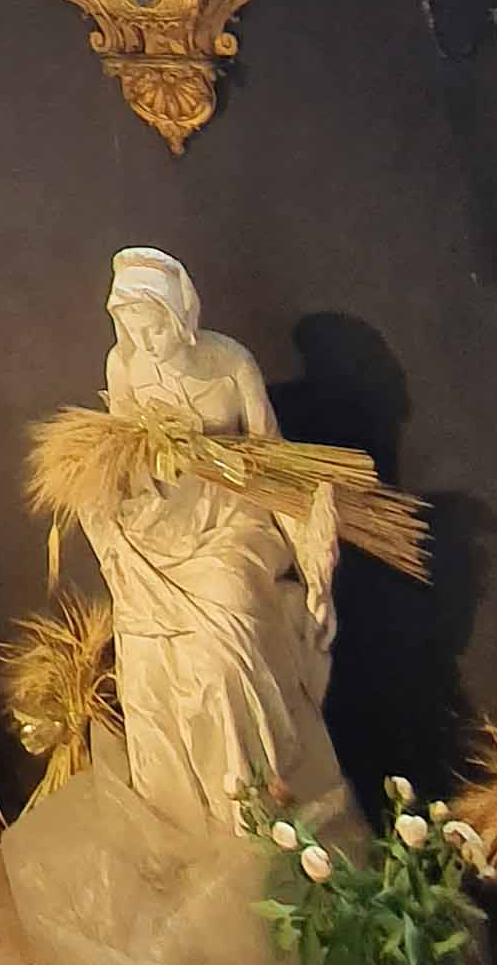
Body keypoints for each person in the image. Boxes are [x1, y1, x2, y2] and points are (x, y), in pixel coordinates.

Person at [87, 247, 345, 828]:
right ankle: (185, 809)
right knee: (147, 655)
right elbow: (122, 451)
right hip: (165, 518)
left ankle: (250, 795)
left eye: (153, 327)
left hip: (236, 517)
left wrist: (309, 552)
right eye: (132, 328)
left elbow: (274, 458)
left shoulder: (230, 364)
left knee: (225, 641)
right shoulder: (123, 365)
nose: (145, 341)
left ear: (179, 314)